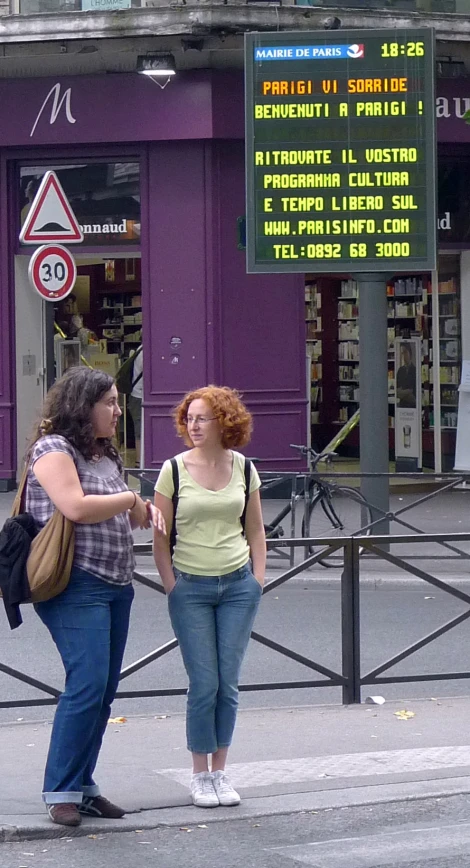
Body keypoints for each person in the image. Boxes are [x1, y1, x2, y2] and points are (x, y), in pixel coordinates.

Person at [25, 366, 166, 828]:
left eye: (118, 402)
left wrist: (141, 513)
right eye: (109, 402)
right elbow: (75, 506)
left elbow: (113, 515)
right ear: (82, 407)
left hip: (115, 583)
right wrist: (129, 500)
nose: (117, 410)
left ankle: (83, 785)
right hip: (75, 583)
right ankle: (60, 790)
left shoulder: (105, 454)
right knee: (86, 684)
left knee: (103, 690)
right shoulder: (52, 449)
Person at [153, 385, 266, 808]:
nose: (194, 426)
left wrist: (257, 580)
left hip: (238, 585)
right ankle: (199, 774)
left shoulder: (244, 468)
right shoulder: (174, 470)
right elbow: (160, 540)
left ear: (225, 422)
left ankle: (221, 771)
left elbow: (256, 530)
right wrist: (172, 586)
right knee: (205, 682)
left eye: (203, 418)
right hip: (192, 587)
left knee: (228, 683)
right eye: (190, 418)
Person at [128, 345, 143, 467]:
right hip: (139, 395)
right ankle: (139, 460)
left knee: (140, 428)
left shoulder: (139, 349)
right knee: (139, 430)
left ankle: (140, 459)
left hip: (137, 394)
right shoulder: (145, 352)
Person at [396, 342, 417, 408]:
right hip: (402, 406)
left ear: (410, 353)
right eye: (402, 353)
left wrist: (403, 393)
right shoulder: (400, 370)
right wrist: (408, 391)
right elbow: (398, 393)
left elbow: (413, 397)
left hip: (413, 407)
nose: (404, 356)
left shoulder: (415, 370)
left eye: (405, 352)